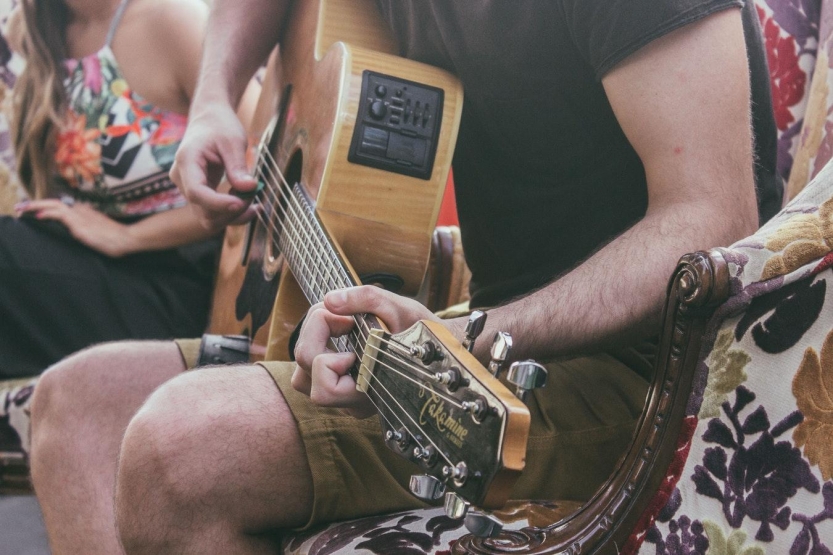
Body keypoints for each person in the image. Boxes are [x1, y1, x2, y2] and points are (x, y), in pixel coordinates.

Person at [29, 0, 782, 553]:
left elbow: (712, 219)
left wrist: (466, 335)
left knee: (184, 447)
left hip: (646, 376)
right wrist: (215, 102)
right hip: (476, 336)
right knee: (75, 405)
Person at [0, 0, 254, 380]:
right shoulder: (31, 30)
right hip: (95, 256)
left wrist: (128, 236)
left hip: (189, 276)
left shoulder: (171, 19)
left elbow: (260, 168)